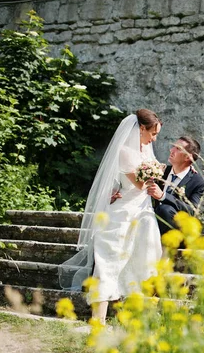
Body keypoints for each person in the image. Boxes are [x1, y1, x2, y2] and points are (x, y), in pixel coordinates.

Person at [59, 109, 163, 323]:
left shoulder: (147, 151)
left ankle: (138, 316)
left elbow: (150, 182)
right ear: (141, 128)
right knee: (109, 261)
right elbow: (138, 183)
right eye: (153, 133)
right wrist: (152, 174)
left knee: (146, 259)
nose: (154, 138)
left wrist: (158, 177)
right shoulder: (125, 151)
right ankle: (99, 319)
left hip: (143, 211)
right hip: (123, 211)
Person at [146, 136, 204, 234]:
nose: (171, 150)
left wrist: (163, 196)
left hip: (176, 232)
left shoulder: (197, 182)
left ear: (187, 157)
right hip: (152, 222)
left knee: (165, 209)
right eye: (173, 146)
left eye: (178, 148)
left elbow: (192, 210)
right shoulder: (161, 171)